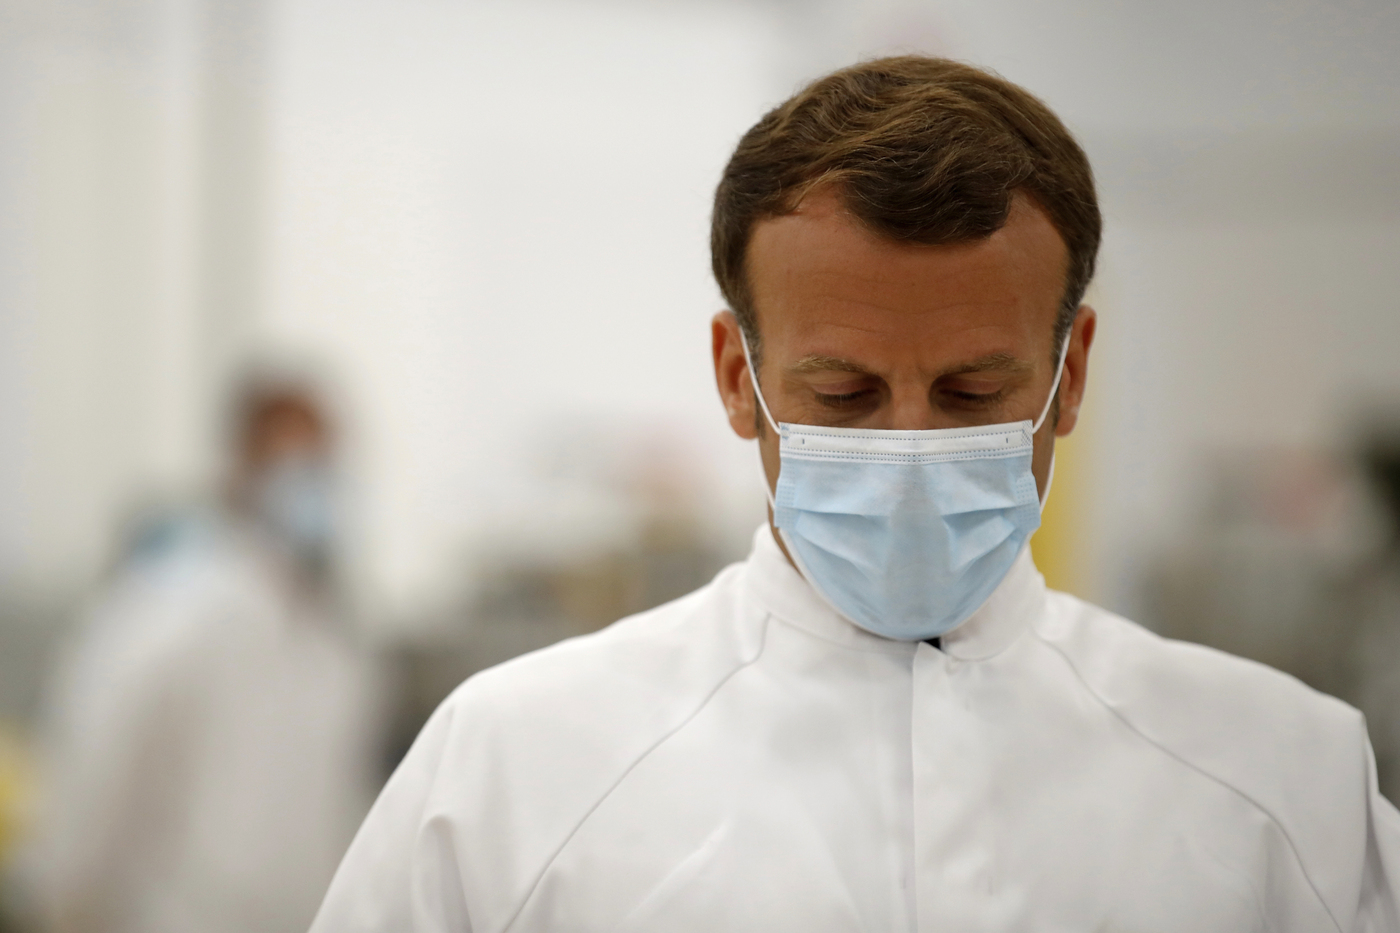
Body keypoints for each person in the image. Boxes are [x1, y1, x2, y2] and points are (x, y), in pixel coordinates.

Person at [309, 57, 1400, 931]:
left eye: (973, 391)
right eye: (844, 393)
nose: (911, 448)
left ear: (1068, 376)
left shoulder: (1276, 777)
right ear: (739, 379)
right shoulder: (511, 770)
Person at [28, 378, 383, 933]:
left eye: (324, 463)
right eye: (294, 463)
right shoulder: (170, 606)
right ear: (242, 467)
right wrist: (63, 894)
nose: (314, 485)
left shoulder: (332, 637)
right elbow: (99, 760)